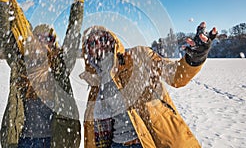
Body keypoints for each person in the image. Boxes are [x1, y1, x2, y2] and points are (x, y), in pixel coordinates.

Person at [79, 24, 217, 148]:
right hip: (117, 144)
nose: (98, 45)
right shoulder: (96, 85)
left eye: (102, 39)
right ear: (87, 51)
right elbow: (94, 135)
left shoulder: (139, 56)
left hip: (149, 141)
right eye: (91, 43)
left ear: (112, 40)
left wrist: (195, 58)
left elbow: (176, 75)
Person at [0, 0, 92, 148]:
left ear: (53, 43)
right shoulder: (21, 64)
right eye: (38, 37)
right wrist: (3, 0)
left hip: (55, 140)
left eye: (47, 38)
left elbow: (73, 33)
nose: (42, 41)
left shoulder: (60, 66)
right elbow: (5, 37)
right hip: (23, 140)